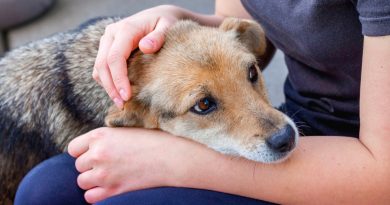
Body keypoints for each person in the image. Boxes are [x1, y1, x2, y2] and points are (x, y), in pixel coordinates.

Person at [15, 0, 390, 204]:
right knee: (42, 191)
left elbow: (384, 176)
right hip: (309, 116)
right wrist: (171, 15)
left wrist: (173, 162)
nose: (275, 131)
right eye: (205, 105)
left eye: (251, 75)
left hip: (362, 161)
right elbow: (233, 22)